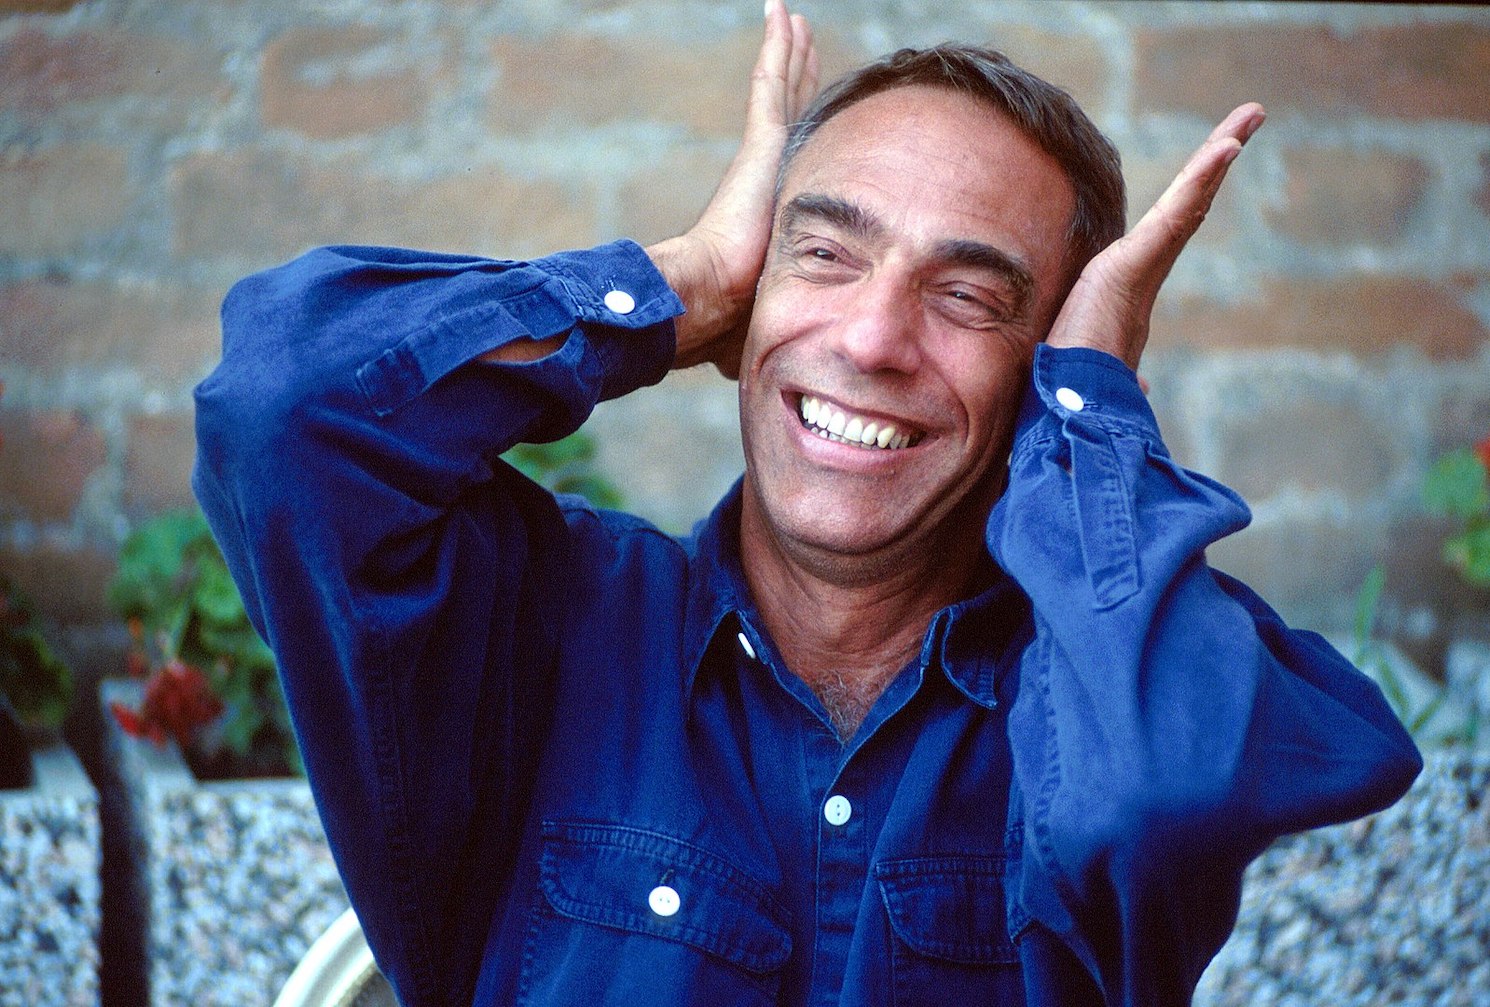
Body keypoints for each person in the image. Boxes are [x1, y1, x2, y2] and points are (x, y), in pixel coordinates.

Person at [193, 3, 1421, 1005]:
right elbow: (280, 411)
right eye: (822, 253)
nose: (872, 338)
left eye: (967, 297)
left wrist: (1090, 407)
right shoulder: (538, 632)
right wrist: (679, 285)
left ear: (1034, 369)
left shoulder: (1099, 686)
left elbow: (1160, 796)